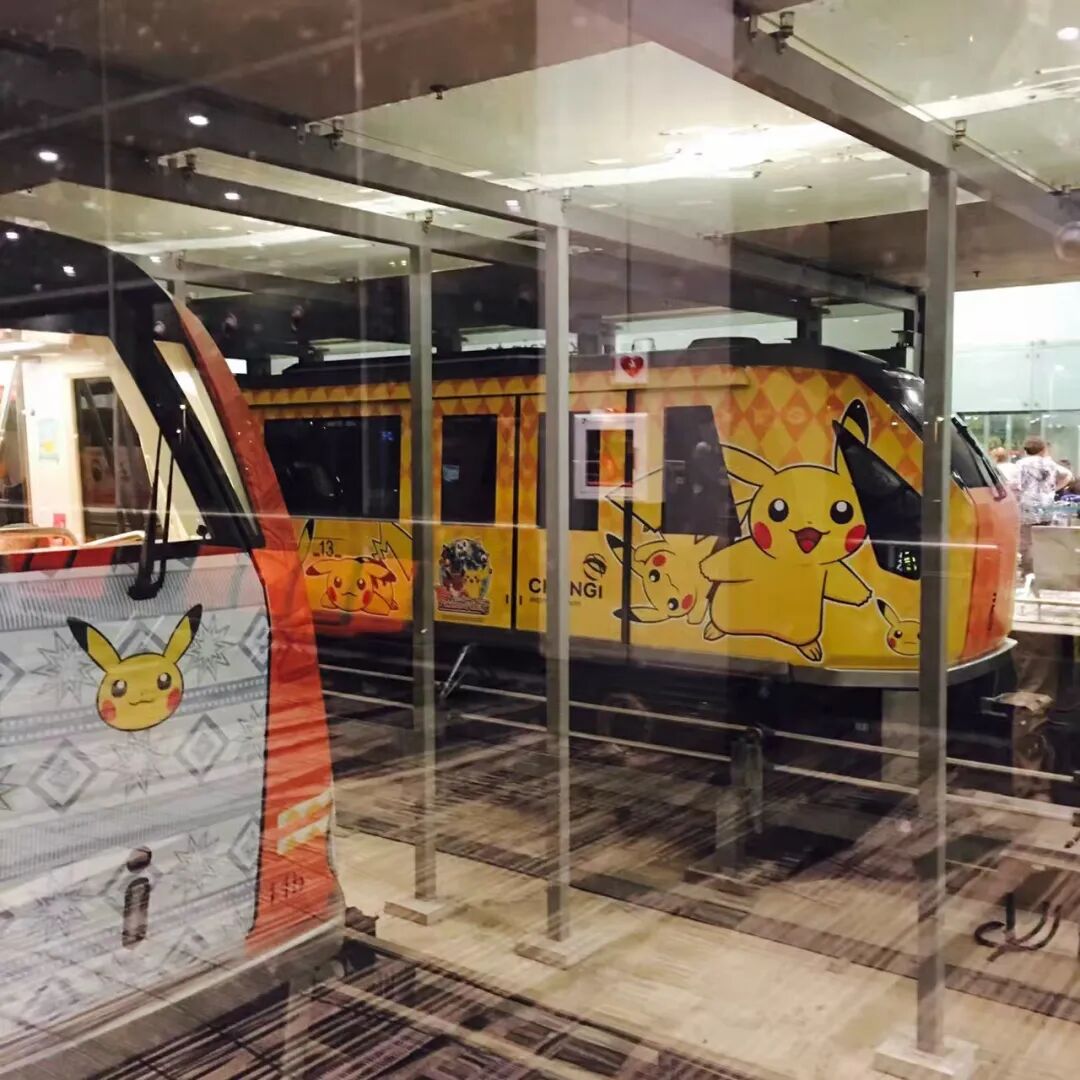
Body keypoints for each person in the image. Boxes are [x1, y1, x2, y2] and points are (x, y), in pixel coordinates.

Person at [1016, 436, 1073, 575]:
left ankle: (1028, 570)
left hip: (1027, 504)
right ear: (1042, 449)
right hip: (1046, 504)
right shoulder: (1050, 464)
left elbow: (1015, 483)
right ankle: (1043, 568)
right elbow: (1068, 475)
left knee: (1026, 539)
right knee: (1043, 536)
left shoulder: (1021, 464)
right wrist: (1055, 489)